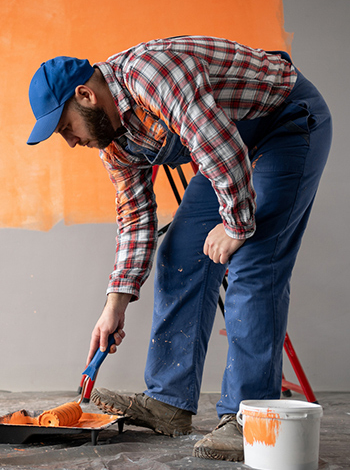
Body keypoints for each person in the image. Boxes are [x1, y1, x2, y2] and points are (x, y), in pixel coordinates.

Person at [26, 36, 332, 461]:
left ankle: (249, 418)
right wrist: (115, 303)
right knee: (178, 256)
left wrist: (237, 225)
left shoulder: (150, 74)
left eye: (66, 129)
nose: (72, 143)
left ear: (86, 96)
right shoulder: (114, 142)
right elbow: (135, 218)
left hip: (284, 122)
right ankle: (170, 403)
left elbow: (218, 146)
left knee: (252, 261)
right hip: (224, 148)